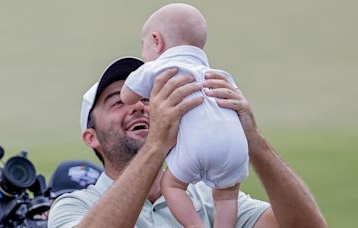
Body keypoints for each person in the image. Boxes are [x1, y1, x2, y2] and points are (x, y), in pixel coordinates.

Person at [48, 56, 326, 228]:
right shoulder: (76, 205)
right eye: (118, 101)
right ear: (91, 137)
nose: (140, 106)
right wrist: (157, 144)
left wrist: (254, 141)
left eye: (149, 99)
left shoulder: (210, 198)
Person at [120, 4, 247, 227]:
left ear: (156, 41)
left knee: (173, 186)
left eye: (144, 45)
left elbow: (127, 96)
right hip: (236, 144)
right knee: (226, 195)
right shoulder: (217, 75)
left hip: (197, 146)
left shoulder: (157, 67)